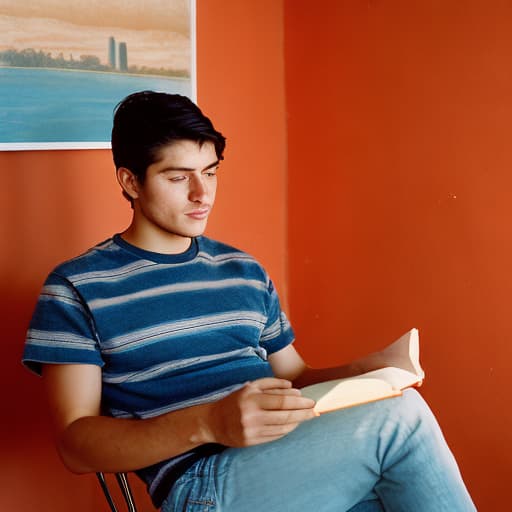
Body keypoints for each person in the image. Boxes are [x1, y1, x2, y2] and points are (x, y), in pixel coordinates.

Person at [23, 91, 476, 512]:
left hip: (294, 459)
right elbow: (76, 444)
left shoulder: (242, 269)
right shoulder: (77, 287)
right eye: (179, 177)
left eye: (211, 172)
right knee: (400, 420)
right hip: (201, 484)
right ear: (131, 181)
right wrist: (209, 423)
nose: (203, 194)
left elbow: (294, 377)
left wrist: (365, 371)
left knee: (390, 486)